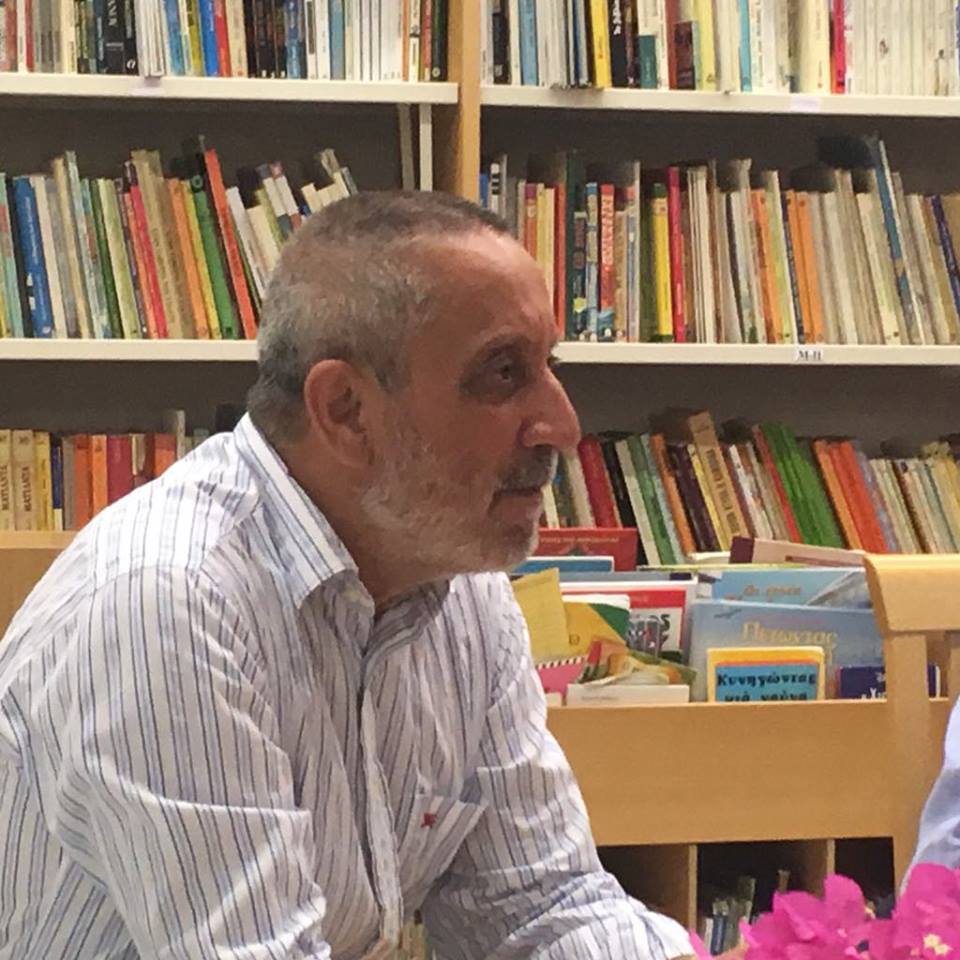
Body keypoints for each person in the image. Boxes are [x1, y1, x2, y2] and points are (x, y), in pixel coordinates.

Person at [0, 191, 696, 959]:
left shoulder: (461, 586)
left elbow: (541, 908)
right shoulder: (168, 601)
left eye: (548, 368)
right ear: (346, 411)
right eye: (504, 375)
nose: (563, 426)